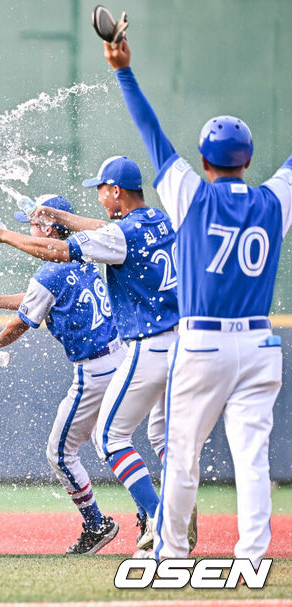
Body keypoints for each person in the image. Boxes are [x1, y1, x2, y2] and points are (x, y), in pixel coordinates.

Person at [102, 37, 292, 567]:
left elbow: (153, 135)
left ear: (206, 160)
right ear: (248, 159)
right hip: (260, 344)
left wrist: (124, 71)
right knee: (252, 461)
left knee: (181, 458)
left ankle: (172, 555)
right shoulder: (274, 198)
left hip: (204, 342)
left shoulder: (190, 193)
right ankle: (252, 557)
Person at [0, 161, 185, 554]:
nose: (98, 194)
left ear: (115, 190)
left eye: (101, 188)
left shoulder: (84, 253)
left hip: (140, 347)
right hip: (182, 342)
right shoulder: (158, 220)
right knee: (162, 438)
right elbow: (101, 232)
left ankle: (156, 517)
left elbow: (58, 254)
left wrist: (4, 235)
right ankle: (174, 508)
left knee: (103, 441)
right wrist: (56, 216)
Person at [0, 195, 124, 554]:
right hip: (121, 359)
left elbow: (24, 321)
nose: (29, 229)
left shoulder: (50, 270)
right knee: (116, 443)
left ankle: (96, 524)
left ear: (46, 227)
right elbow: (38, 296)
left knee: (60, 453)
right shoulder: (82, 256)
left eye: (32, 223)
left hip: (95, 371)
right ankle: (152, 513)